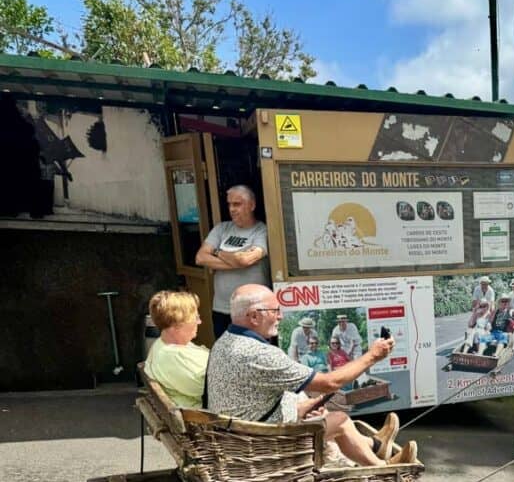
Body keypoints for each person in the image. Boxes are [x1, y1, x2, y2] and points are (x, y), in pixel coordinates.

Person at [206, 284, 415, 466]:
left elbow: (249, 399)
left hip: (239, 435)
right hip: (259, 443)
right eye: (275, 311)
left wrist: (300, 408)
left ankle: (377, 444)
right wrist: (372, 356)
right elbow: (330, 382)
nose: (280, 316)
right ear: (253, 316)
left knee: (315, 405)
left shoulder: (224, 341)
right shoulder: (259, 353)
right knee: (340, 419)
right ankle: (382, 466)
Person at [195, 185, 270, 338]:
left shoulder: (261, 230)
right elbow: (200, 257)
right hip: (222, 308)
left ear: (252, 205)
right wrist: (236, 262)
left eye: (237, 204)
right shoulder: (222, 229)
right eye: (229, 204)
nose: (232, 209)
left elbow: (246, 259)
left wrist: (216, 253)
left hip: (252, 311)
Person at [143, 290, 209, 408]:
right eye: (195, 317)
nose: (199, 322)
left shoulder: (166, 344)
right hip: (201, 418)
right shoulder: (172, 356)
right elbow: (210, 389)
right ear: (177, 325)